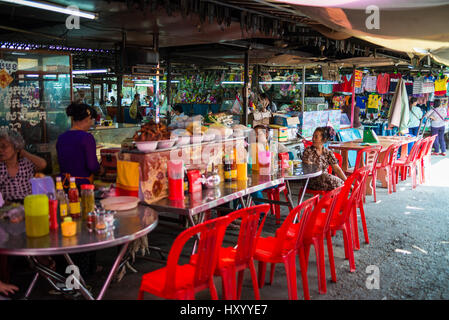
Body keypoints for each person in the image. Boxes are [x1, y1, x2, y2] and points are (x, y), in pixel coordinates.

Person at [56, 103, 104, 187]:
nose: (92, 123)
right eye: (92, 120)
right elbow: (92, 166)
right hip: (82, 185)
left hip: (64, 184)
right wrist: (101, 170)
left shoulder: (61, 137)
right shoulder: (87, 138)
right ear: (88, 118)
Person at [0, 129, 47, 203]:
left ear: (16, 148)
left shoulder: (25, 164)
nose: (0, 150)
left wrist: (23, 152)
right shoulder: (1, 167)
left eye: (4, 146)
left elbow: (42, 164)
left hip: (28, 205)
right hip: (7, 208)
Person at [302, 127, 347, 191]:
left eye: (316, 137)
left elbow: (337, 169)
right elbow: (308, 167)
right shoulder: (308, 151)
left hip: (326, 180)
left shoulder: (328, 152)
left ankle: (336, 199)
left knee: (342, 185)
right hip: (311, 181)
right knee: (337, 184)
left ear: (324, 140)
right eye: (313, 136)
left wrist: (347, 182)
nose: (313, 139)